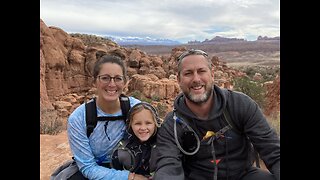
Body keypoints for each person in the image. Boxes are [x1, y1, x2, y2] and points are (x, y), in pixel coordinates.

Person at [152, 49, 280, 180]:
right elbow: (168, 167)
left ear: (212, 75)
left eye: (201, 71)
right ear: (179, 79)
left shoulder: (240, 105)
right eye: (188, 73)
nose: (196, 79)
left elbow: (272, 150)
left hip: (242, 175)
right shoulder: (173, 124)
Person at [67, 54, 149, 180]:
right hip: (96, 171)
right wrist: (131, 177)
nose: (111, 84)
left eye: (118, 78)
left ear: (125, 82)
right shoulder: (79, 118)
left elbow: (157, 139)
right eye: (105, 78)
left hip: (131, 163)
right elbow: (88, 167)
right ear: (94, 81)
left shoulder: (137, 109)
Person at [111, 102, 162, 179]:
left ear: (155, 123)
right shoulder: (122, 152)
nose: (143, 128)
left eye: (148, 123)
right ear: (130, 125)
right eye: (138, 123)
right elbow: (115, 175)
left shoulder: (164, 146)